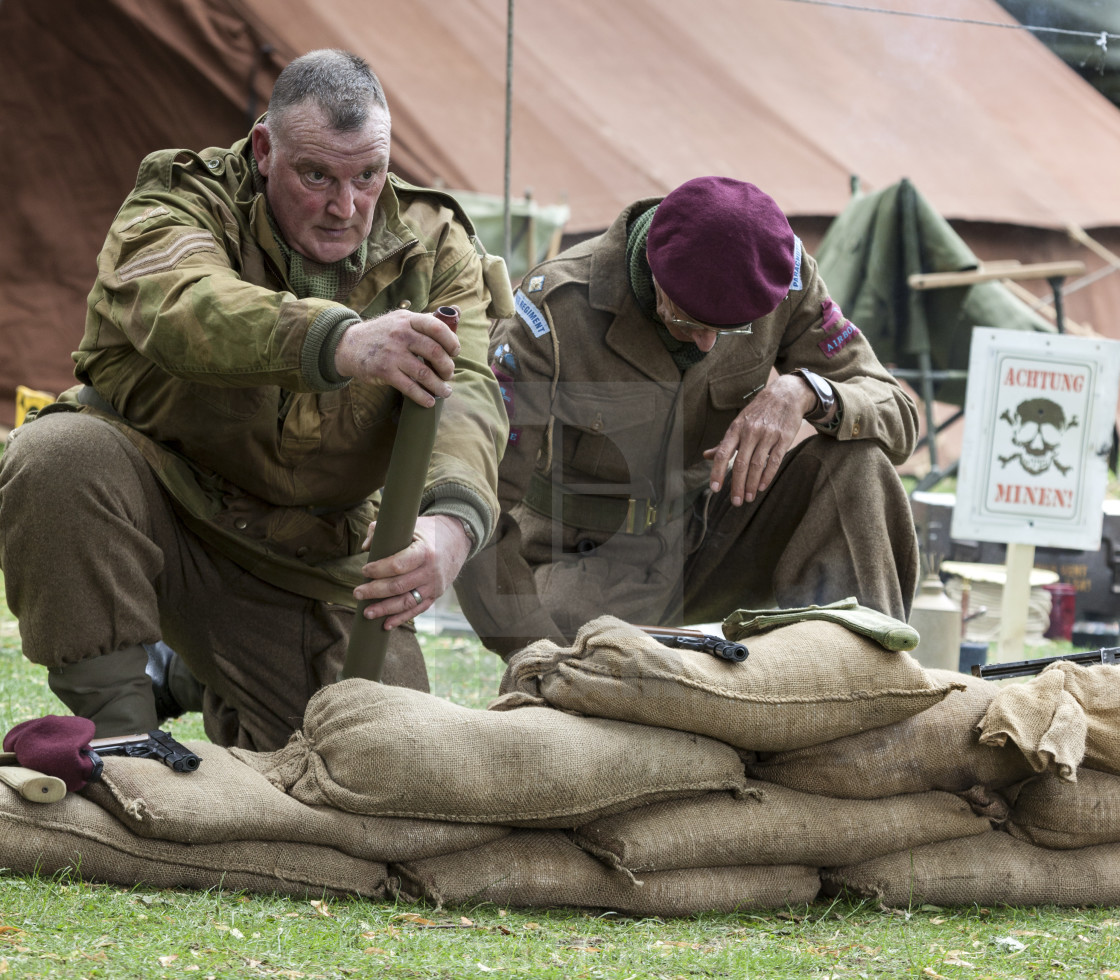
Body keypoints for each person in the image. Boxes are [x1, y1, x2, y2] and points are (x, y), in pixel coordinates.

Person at [0, 49, 510, 748]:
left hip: (307, 550)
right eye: (317, 176)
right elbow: (183, 304)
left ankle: (187, 672)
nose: (346, 207)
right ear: (265, 150)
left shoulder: (433, 245)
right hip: (162, 502)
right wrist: (340, 342)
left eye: (368, 175)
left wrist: (452, 523)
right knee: (55, 455)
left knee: (382, 758)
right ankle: (121, 742)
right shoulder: (180, 201)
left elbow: (469, 392)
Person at [454, 175, 920, 658]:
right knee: (594, 712)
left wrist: (805, 391)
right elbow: (477, 493)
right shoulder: (553, 308)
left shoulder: (783, 276)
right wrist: (532, 647)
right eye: (688, 321)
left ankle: (864, 675)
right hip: (583, 562)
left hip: (709, 542)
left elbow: (895, 410)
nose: (707, 345)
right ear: (652, 269)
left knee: (859, 464)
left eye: (732, 328)